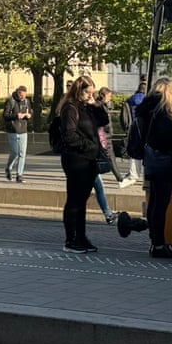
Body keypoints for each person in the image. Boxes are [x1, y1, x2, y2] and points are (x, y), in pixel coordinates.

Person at [134, 78, 172, 259]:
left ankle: (156, 242)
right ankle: (159, 244)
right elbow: (166, 140)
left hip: (153, 162)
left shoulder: (150, 110)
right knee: (160, 204)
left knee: (155, 202)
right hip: (163, 162)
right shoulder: (163, 113)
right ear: (165, 93)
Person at [56, 74, 104, 253]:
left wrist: (95, 105)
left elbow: (104, 121)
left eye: (92, 93)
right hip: (76, 158)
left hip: (89, 158)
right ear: (79, 90)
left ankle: (81, 237)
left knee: (82, 200)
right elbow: (68, 135)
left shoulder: (87, 107)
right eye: (87, 93)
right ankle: (71, 239)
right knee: (75, 200)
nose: (89, 96)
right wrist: (88, 145)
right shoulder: (70, 108)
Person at [88, 90, 118, 225]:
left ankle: (108, 214)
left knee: (97, 187)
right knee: (96, 188)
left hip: (90, 157)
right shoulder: (89, 112)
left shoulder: (93, 112)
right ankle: (108, 214)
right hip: (88, 158)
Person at [1, 85, 32, 182]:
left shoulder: (27, 102)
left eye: (24, 95)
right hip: (13, 130)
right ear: (17, 93)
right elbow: (5, 115)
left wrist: (28, 115)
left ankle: (19, 175)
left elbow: (30, 112)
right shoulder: (11, 101)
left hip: (23, 130)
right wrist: (16, 115)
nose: (22, 97)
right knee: (15, 152)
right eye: (20, 95)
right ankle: (8, 168)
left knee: (22, 154)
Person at [121, 78, 147, 184]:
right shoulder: (146, 100)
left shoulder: (131, 99)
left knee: (135, 151)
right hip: (143, 127)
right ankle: (141, 174)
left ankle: (133, 173)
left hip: (133, 126)